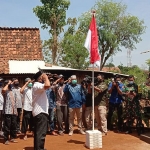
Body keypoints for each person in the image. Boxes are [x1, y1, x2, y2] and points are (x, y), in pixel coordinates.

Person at [32, 71, 50, 150]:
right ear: (39, 78)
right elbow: (47, 85)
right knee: (41, 133)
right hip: (41, 112)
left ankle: (38, 148)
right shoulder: (37, 85)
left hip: (38, 112)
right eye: (42, 76)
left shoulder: (36, 85)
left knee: (38, 133)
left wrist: (45, 77)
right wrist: (46, 78)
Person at [2, 80, 18, 145]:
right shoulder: (5, 91)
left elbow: (15, 101)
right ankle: (5, 139)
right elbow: (3, 90)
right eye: (9, 83)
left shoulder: (13, 91)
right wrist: (8, 84)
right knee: (7, 126)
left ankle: (12, 137)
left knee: (13, 125)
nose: (11, 84)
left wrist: (16, 111)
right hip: (7, 111)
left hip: (13, 111)